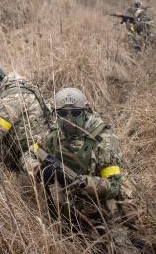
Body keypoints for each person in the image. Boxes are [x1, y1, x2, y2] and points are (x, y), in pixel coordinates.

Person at [24, 87, 139, 252]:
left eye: (75, 113)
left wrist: (81, 182)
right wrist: (38, 169)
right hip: (68, 207)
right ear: (55, 114)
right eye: (63, 114)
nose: (69, 118)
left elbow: (114, 186)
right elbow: (28, 154)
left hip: (103, 210)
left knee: (120, 248)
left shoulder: (102, 140)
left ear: (85, 112)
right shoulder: (53, 136)